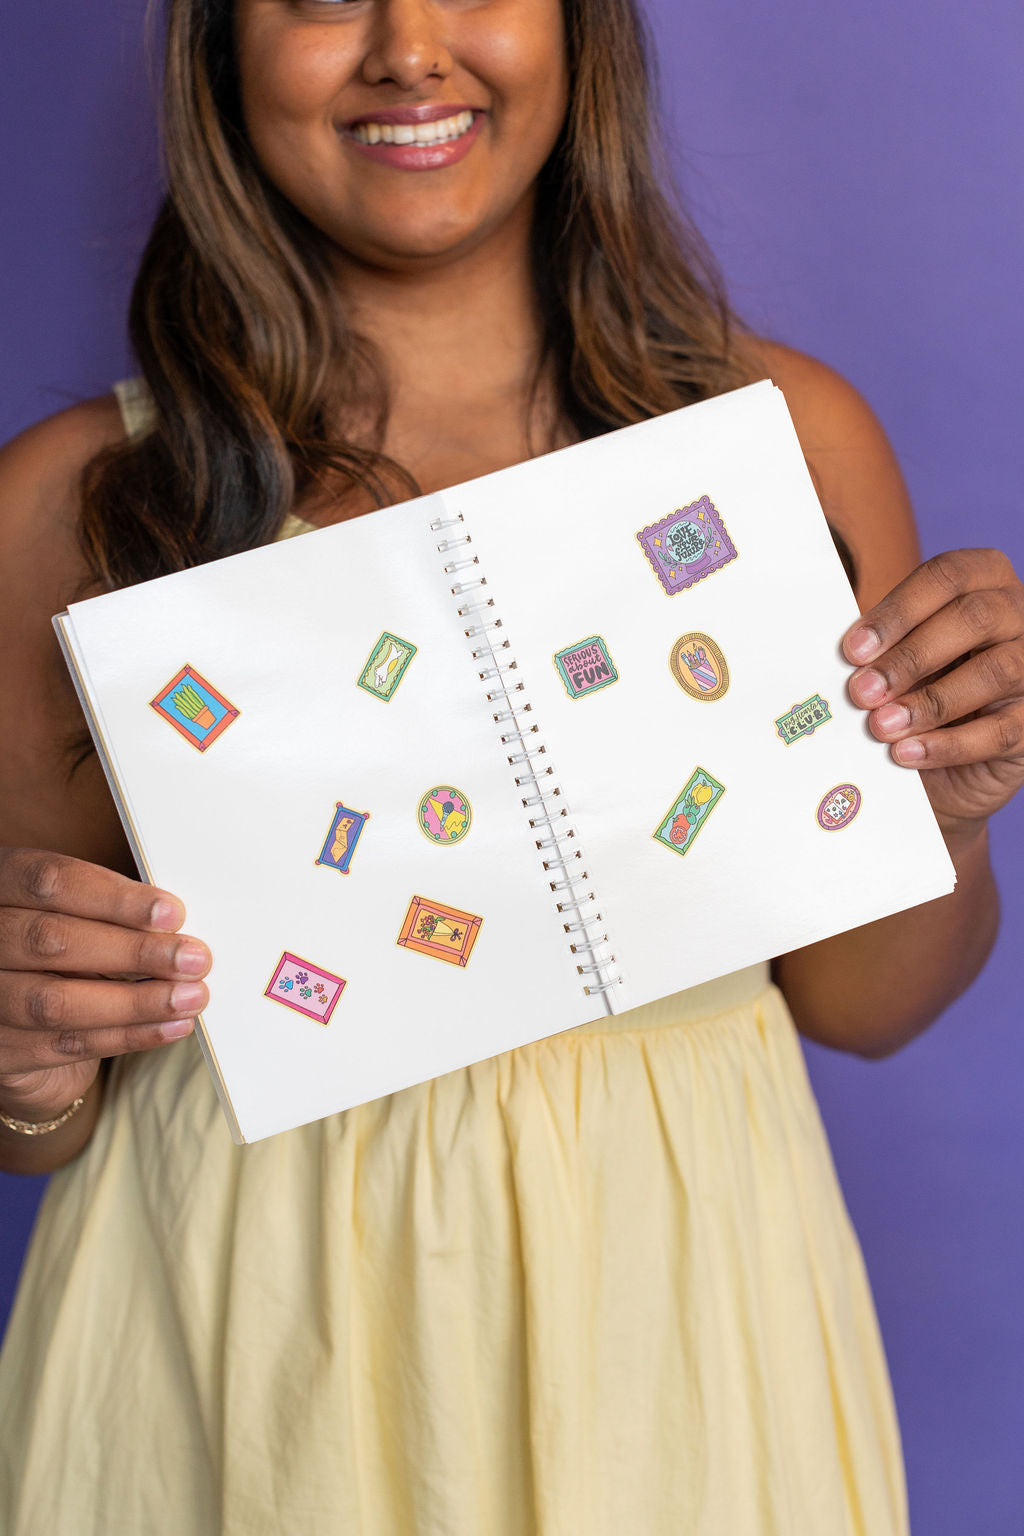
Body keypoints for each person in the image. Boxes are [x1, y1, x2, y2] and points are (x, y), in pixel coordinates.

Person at [0, 0, 1022, 1529]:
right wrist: (22, 1050)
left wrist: (944, 809)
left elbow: (869, 1005)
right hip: (254, 1341)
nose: (410, 49)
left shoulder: (777, 444)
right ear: (219, 50)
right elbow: (51, 1100)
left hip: (676, 1320)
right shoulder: (76, 506)